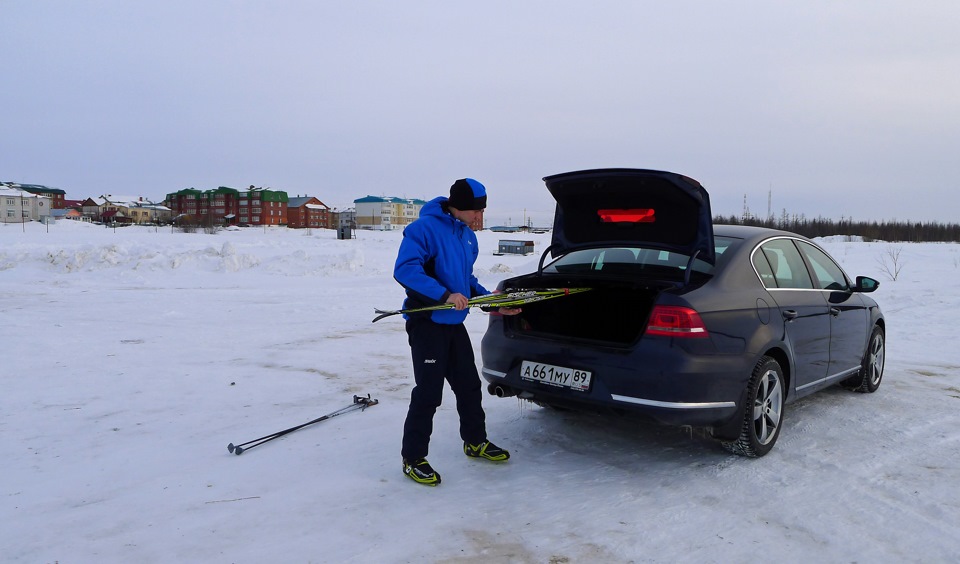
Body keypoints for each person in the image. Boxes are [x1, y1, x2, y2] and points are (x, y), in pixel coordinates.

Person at [393, 178, 520, 486]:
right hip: (427, 323)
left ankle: (475, 441)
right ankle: (413, 458)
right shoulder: (423, 230)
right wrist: (443, 295)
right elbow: (406, 269)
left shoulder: (466, 237)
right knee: (428, 393)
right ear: (457, 207)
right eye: (475, 212)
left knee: (468, 386)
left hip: (454, 324)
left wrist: (492, 303)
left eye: (482, 211)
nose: (480, 218)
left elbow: (466, 281)